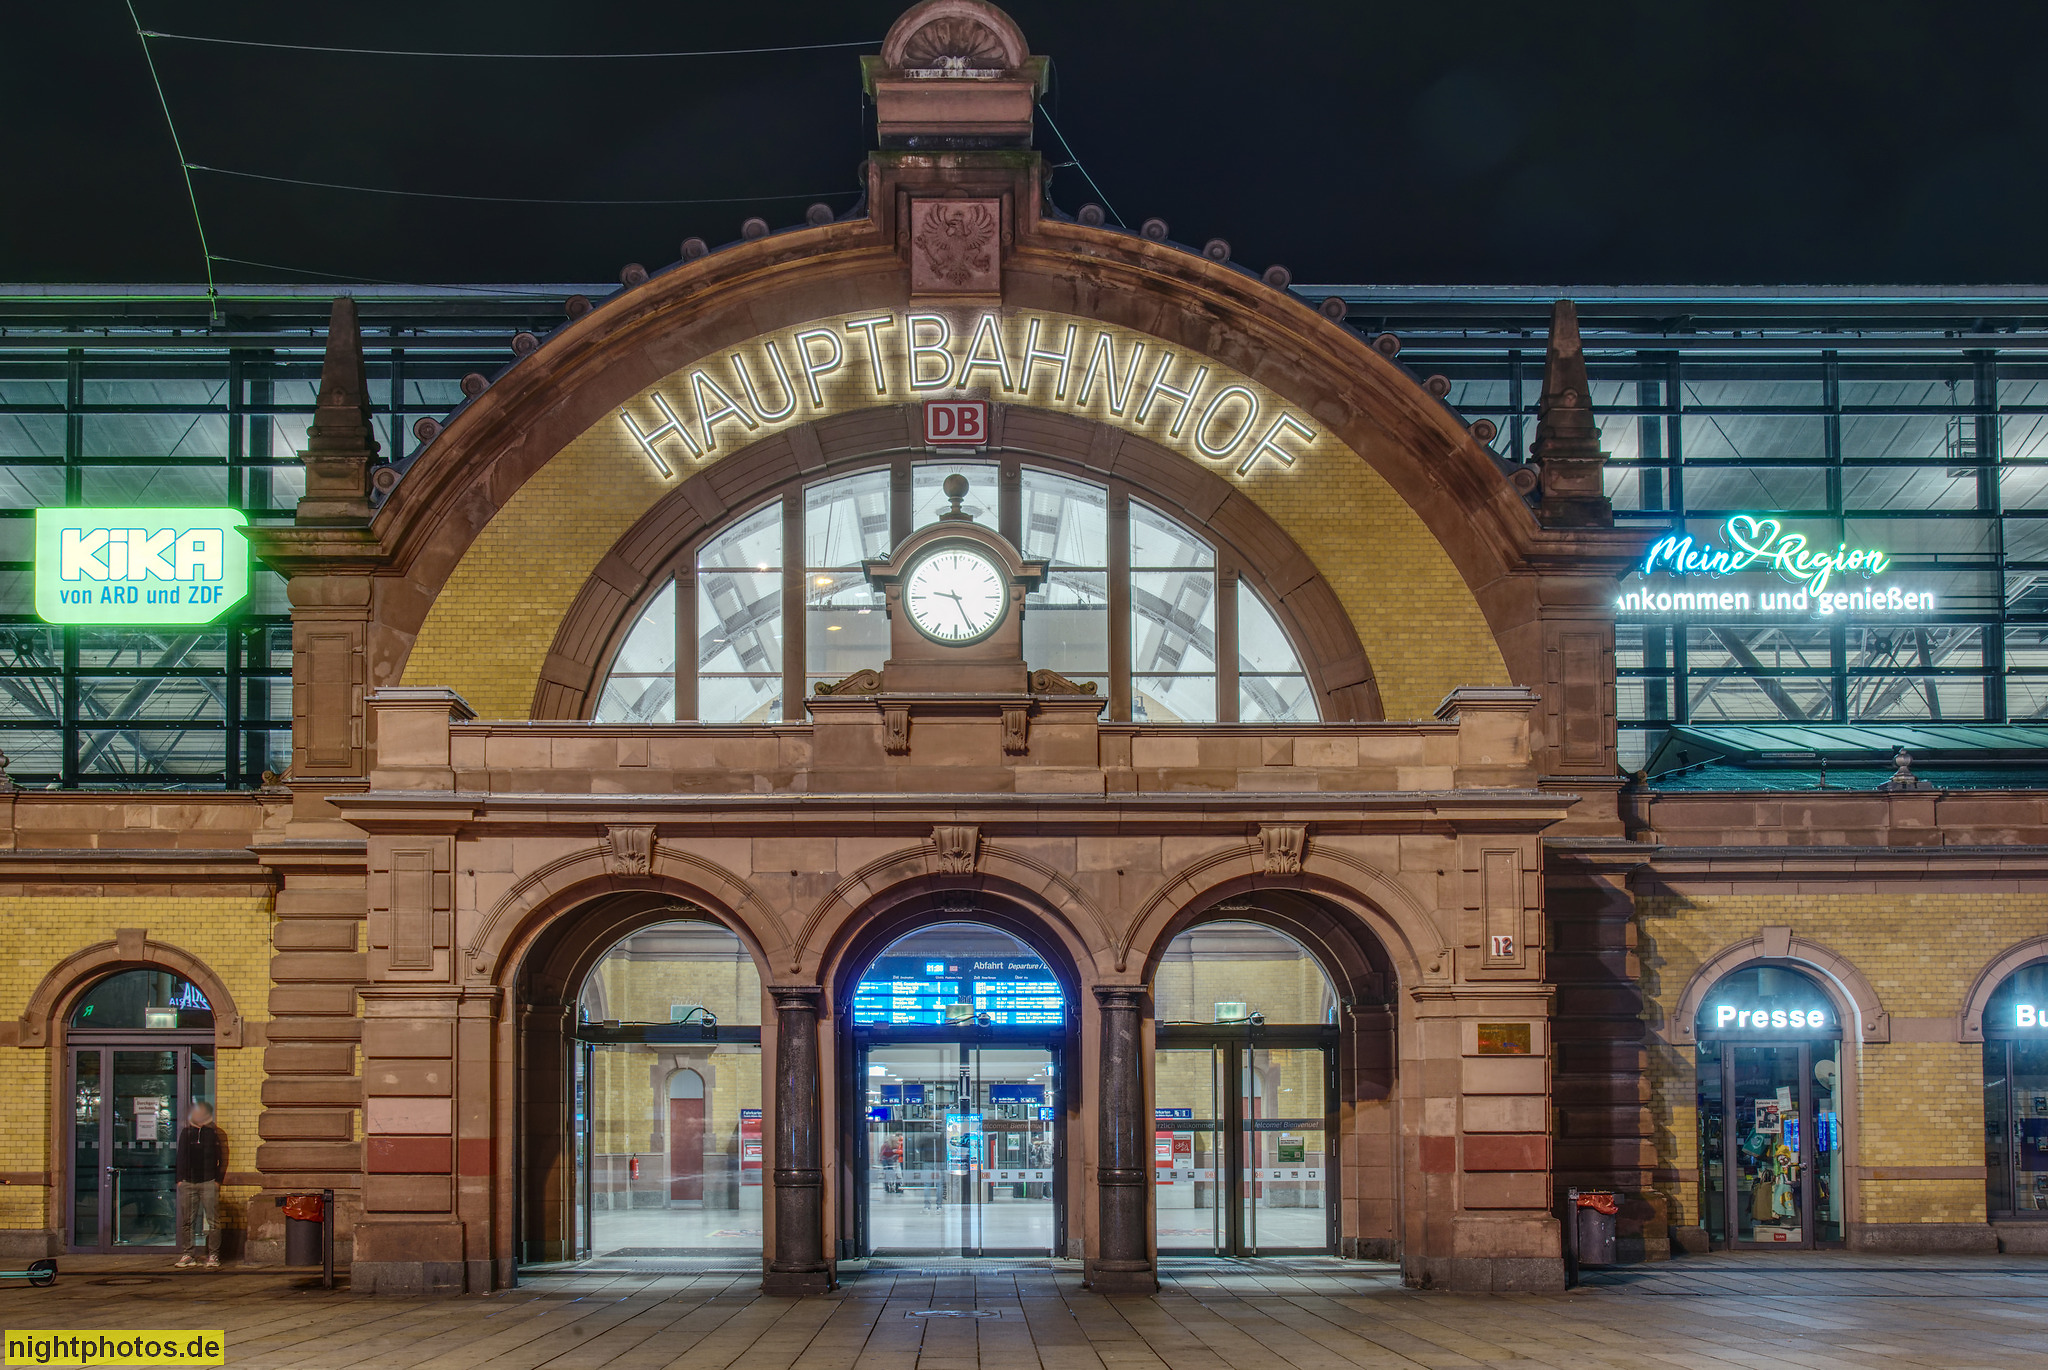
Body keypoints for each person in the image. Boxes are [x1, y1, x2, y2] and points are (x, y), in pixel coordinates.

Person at [173, 1102, 228, 1269]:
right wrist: (179, 1179)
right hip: (188, 1182)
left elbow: (221, 1158)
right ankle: (188, 1254)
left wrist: (217, 1180)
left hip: (208, 1182)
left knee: (213, 1221)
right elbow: (180, 1156)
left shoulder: (213, 1133)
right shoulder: (186, 1133)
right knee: (187, 1221)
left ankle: (214, 1255)